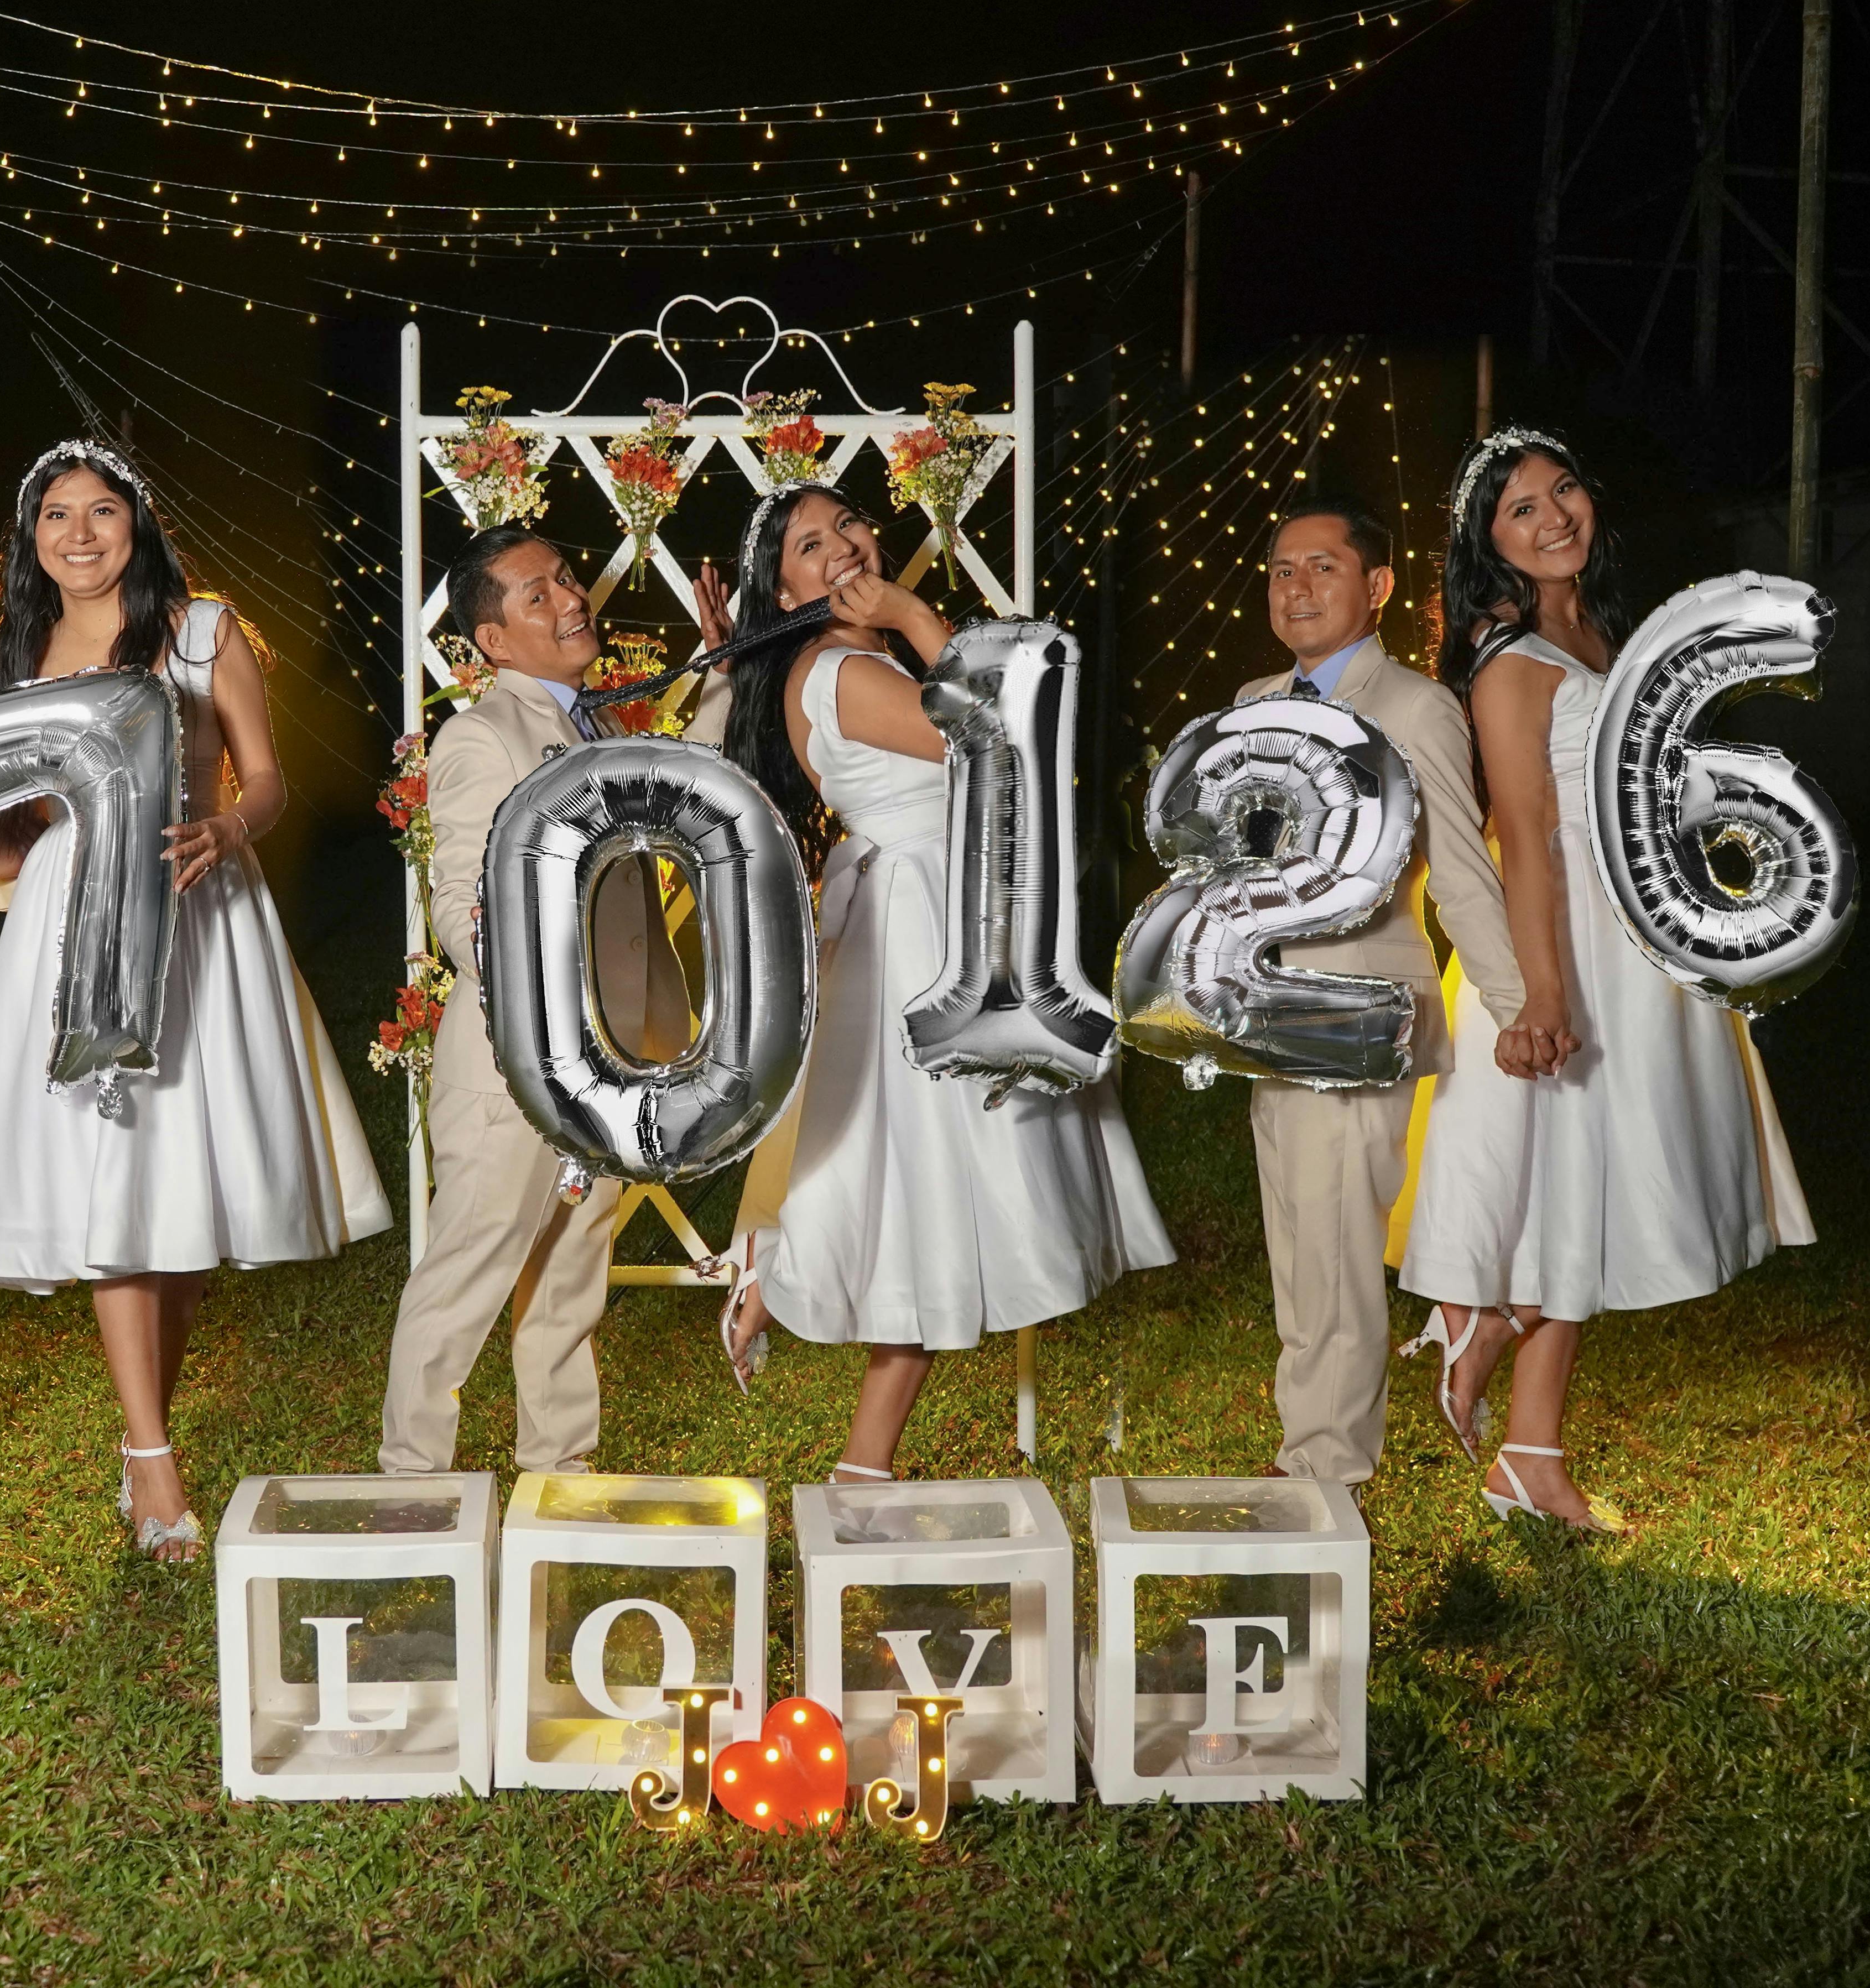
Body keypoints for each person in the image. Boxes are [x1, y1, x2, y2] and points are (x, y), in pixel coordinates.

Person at [0, 440, 389, 1561]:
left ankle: (141, 1441)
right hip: (71, 926)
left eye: (103, 511)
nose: (82, 533)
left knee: (180, 1213)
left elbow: (270, 775)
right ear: (31, 538)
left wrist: (230, 825)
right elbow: (10, 850)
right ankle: (151, 1461)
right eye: (58, 514)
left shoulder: (202, 630)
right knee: (113, 1185)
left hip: (198, 913)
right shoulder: (19, 661)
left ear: (137, 525)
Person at [1399, 427, 1813, 1532]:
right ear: (1487, 543)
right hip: (1568, 934)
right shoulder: (1506, 653)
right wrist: (1541, 991)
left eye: (1563, 489)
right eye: (1520, 509)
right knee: (1564, 1185)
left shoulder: (1600, 629)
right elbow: (1523, 832)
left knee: (1593, 1189)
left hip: (1640, 931)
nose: (1552, 517)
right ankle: (1481, 1317)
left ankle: (1528, 1452)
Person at [720, 485, 1172, 1485]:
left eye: (847, 525)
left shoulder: (856, 658)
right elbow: (1006, 736)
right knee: (935, 1170)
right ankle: (787, 1283)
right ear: (781, 586)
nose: (843, 547)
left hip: (941, 907)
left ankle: (861, 1455)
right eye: (810, 545)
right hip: (928, 932)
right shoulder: (842, 666)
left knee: (927, 1177)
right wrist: (919, 618)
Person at [375, 522, 731, 1481]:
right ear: (492, 640)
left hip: (614, 1057)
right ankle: (413, 1485)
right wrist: (536, 1010)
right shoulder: (481, 733)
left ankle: (560, 1475)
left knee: (570, 1276)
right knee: (469, 1274)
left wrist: (723, 669)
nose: (571, 598)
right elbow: (458, 899)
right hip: (517, 1064)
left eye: (566, 576)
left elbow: (673, 807)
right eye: (537, 594)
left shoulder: (593, 724)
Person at [1226, 500, 1530, 1493]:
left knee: (1337, 1261)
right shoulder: (1255, 696)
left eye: (1321, 566)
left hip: (1360, 1015)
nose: (1296, 586)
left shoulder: (1412, 708)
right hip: (1271, 1016)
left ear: (1377, 587)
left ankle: (1325, 1478)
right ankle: (1305, 1462)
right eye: (1280, 570)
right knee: (1301, 1260)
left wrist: (1517, 1004)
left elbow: (1459, 874)